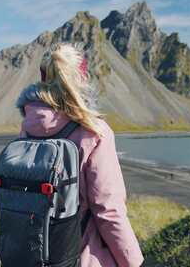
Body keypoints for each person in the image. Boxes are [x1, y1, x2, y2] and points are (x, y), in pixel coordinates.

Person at [15, 43, 144, 267]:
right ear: (81, 78)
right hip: (81, 258)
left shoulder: (27, 128)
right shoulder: (94, 131)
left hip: (33, 255)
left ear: (43, 78)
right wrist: (134, 263)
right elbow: (108, 211)